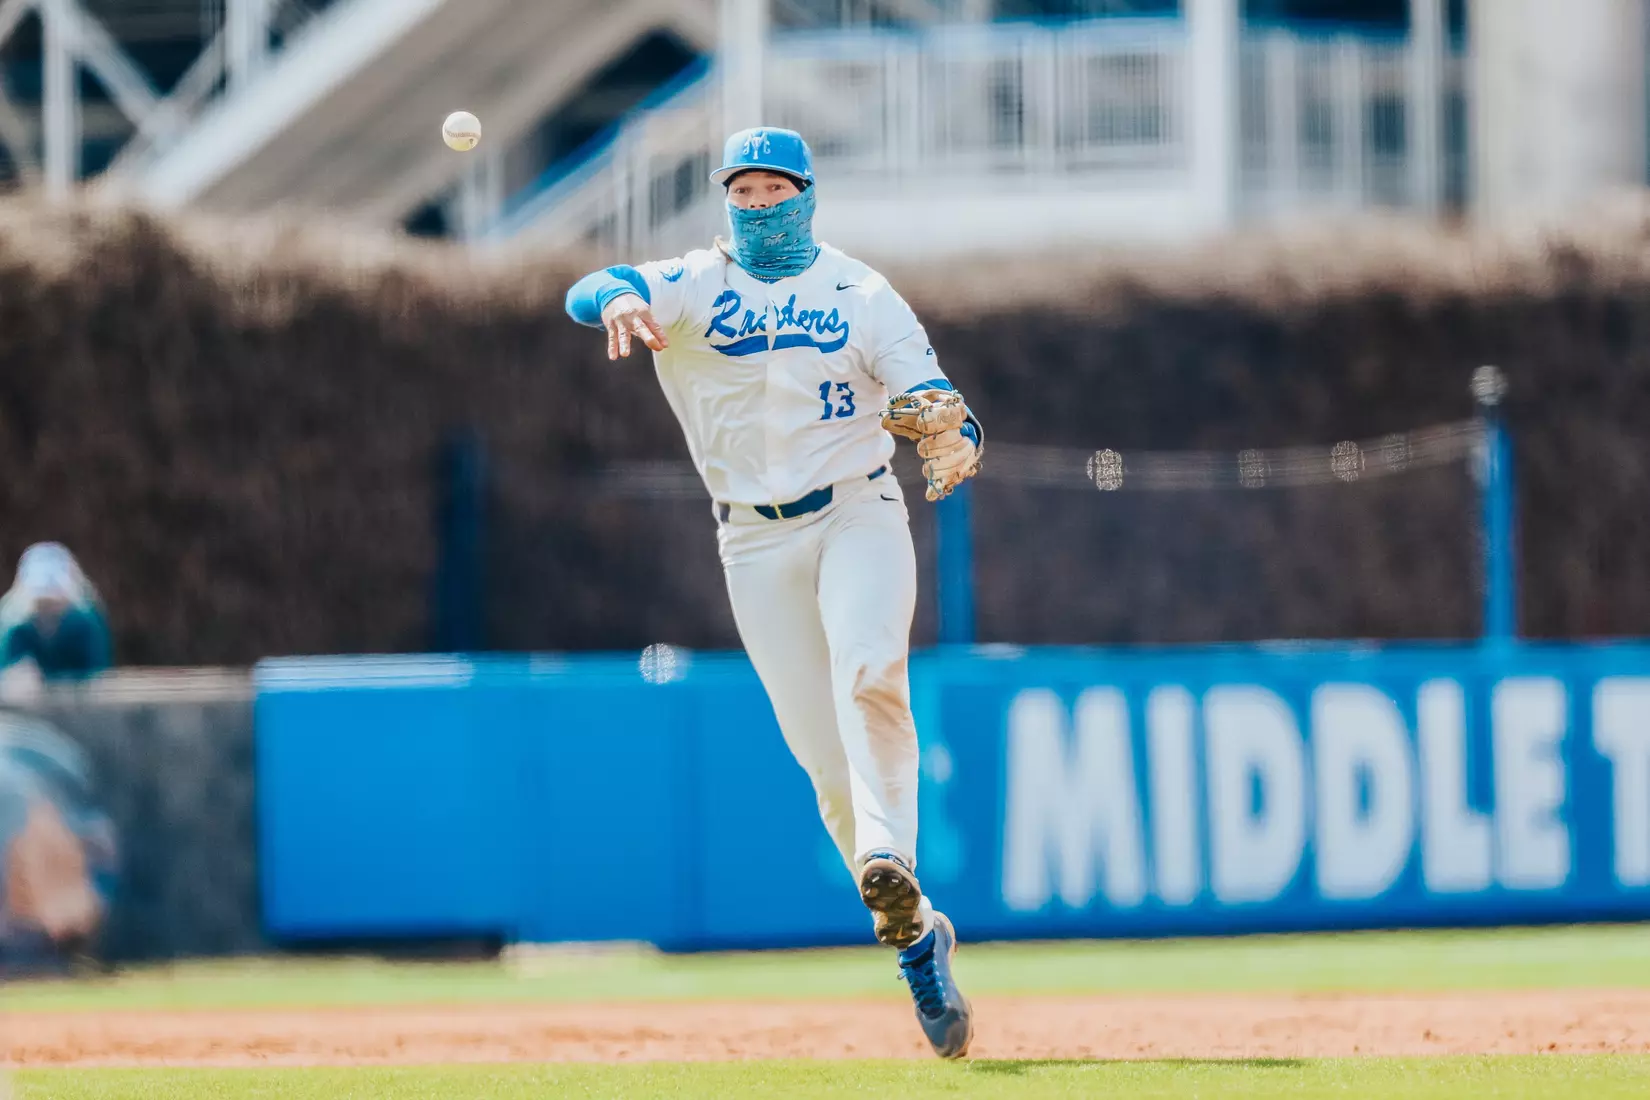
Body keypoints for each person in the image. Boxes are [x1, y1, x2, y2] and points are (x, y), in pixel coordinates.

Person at [565, 127, 983, 1059]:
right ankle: (917, 937)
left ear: (806, 194)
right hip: (751, 540)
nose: (756, 204)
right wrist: (618, 297)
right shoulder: (691, 283)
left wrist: (955, 429)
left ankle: (887, 856)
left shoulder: (860, 292)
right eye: (741, 191)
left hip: (857, 510)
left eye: (773, 189)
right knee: (822, 761)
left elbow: (930, 393)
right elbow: (588, 288)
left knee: (870, 675)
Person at [0, 543, 112, 686]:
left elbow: (98, 676)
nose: (47, 609)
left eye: (54, 601)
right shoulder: (13, 626)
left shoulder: (86, 623)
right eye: (41, 602)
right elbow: (5, 673)